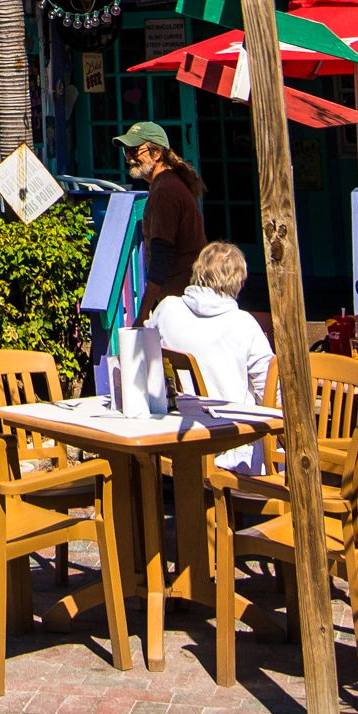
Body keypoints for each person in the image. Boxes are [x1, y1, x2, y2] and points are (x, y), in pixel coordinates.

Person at [150, 240, 275, 471]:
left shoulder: (166, 309)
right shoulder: (243, 324)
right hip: (232, 444)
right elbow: (269, 389)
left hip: (174, 439)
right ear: (238, 281)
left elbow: (143, 357)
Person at [123, 121, 206, 314]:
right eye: (126, 152)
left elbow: (162, 255)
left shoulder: (165, 191)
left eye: (134, 151)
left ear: (157, 153)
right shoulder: (168, 183)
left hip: (181, 297)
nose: (129, 158)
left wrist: (143, 312)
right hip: (186, 293)